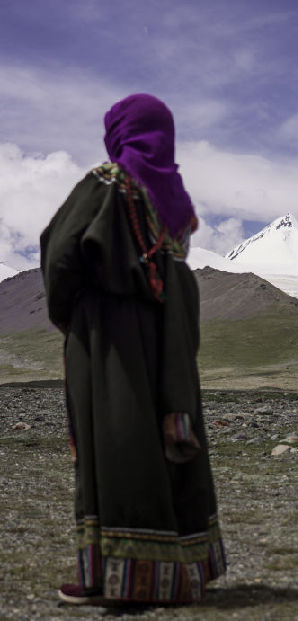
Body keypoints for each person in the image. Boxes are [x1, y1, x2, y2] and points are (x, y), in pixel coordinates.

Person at [40, 93, 226, 606]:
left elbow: (60, 251)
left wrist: (72, 314)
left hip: (109, 336)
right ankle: (178, 573)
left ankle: (116, 577)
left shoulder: (108, 182)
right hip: (167, 338)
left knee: (116, 440)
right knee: (161, 442)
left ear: (120, 133)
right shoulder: (177, 203)